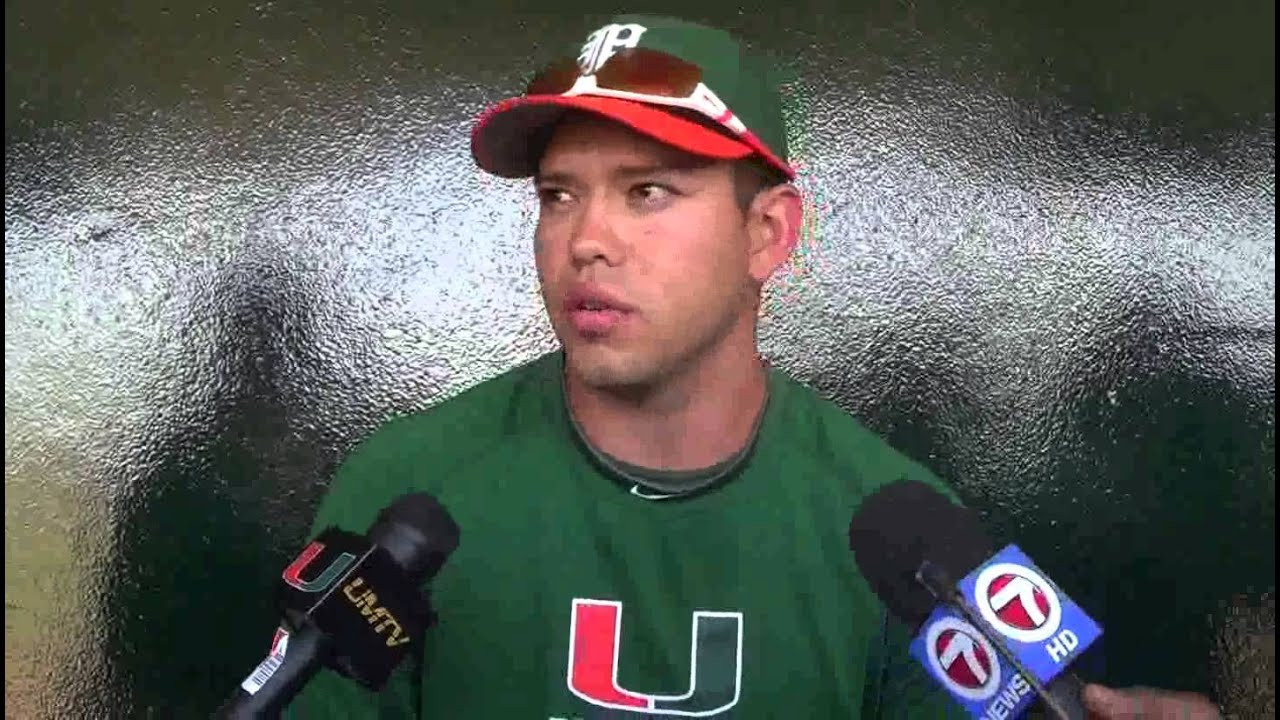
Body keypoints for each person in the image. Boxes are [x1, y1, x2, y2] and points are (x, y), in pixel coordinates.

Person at [284, 14, 1222, 719]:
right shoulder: (411, 493)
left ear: (766, 234)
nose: (584, 241)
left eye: (647, 191)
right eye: (559, 196)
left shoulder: (899, 535)